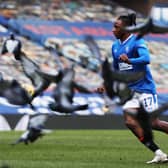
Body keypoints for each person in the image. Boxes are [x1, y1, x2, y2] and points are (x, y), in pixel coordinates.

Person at [111, 13, 168, 164]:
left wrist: (130, 60)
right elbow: (116, 68)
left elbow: (146, 59)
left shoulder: (137, 41)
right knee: (130, 122)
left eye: (116, 27)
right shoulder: (115, 46)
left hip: (144, 89)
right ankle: (159, 153)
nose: (112, 30)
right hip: (130, 92)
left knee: (153, 124)